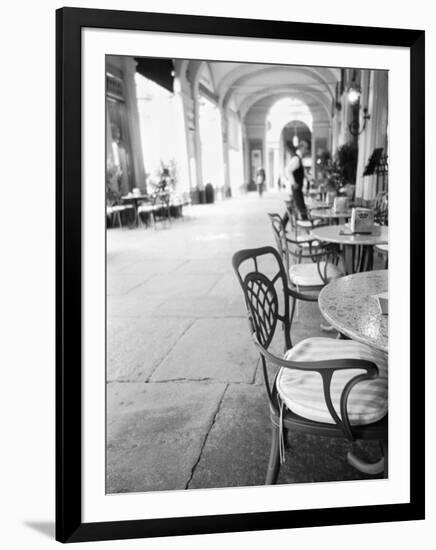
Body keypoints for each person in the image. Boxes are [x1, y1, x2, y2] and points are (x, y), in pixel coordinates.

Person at [287, 140, 309, 220]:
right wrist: (294, 183)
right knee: (301, 207)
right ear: (301, 148)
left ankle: (282, 224)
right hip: (296, 188)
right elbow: (288, 170)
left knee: (293, 206)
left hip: (297, 188)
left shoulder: (298, 159)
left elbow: (299, 172)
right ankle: (308, 226)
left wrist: (306, 177)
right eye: (306, 148)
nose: (307, 151)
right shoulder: (296, 159)